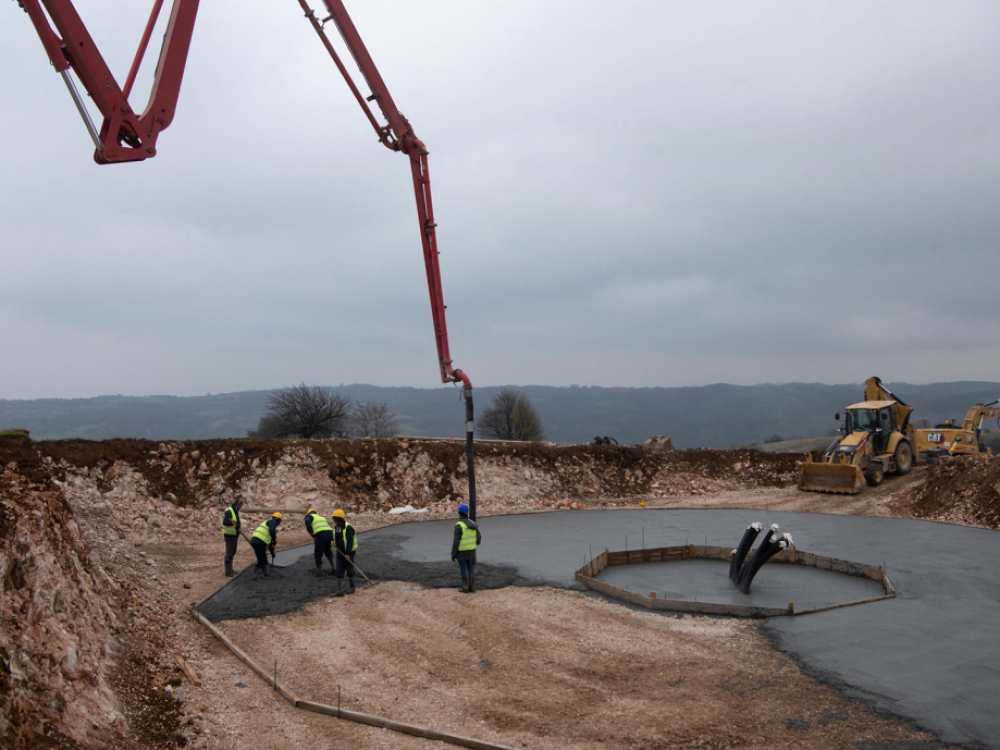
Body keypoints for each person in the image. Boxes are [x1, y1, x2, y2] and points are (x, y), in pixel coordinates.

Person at [452, 503, 481, 593]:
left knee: (463, 567)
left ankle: (465, 587)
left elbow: (456, 541)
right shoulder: (473, 524)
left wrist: (453, 553)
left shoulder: (459, 525)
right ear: (467, 513)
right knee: (470, 566)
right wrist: (475, 543)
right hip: (471, 551)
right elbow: (478, 538)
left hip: (462, 552)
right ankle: (472, 587)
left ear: (459, 513)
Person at [332, 509, 357, 597]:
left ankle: (352, 587)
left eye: (334, 518)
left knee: (349, 569)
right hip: (339, 552)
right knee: (339, 569)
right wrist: (333, 542)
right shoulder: (337, 527)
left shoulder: (348, 528)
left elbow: (349, 542)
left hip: (348, 552)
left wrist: (348, 553)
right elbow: (336, 537)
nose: (333, 520)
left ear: (338, 518)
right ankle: (340, 590)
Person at [250, 512, 282, 578]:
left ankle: (266, 574)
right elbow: (272, 531)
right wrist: (274, 539)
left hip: (256, 541)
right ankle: (255, 573)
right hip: (259, 541)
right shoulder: (273, 522)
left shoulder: (268, 523)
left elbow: (270, 544)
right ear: (279, 520)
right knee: (262, 559)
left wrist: (272, 553)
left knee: (262, 558)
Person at [304, 508, 335, 577]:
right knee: (327, 551)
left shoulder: (309, 516)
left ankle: (319, 572)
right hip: (330, 533)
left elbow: (308, 526)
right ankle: (334, 568)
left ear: (309, 513)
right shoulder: (321, 517)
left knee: (318, 553)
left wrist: (313, 536)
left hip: (321, 535)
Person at [221, 497, 243, 577]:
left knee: (233, 551)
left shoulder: (235, 511)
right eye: (240, 505)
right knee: (229, 552)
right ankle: (228, 571)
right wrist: (235, 524)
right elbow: (226, 521)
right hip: (229, 535)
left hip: (234, 534)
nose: (241, 507)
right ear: (237, 504)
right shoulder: (229, 511)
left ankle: (230, 569)